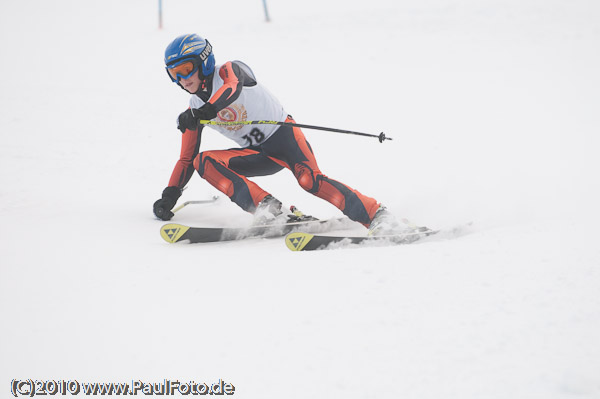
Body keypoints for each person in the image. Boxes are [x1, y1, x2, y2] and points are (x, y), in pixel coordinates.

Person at [153, 34, 402, 235]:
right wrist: (170, 195)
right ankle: (269, 211)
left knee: (310, 181)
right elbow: (186, 159)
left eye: (186, 69)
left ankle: (376, 215)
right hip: (258, 155)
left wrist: (205, 111)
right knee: (203, 161)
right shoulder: (194, 110)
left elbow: (232, 88)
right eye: (174, 74)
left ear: (204, 61)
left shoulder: (229, 70)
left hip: (284, 138)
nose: (182, 80)